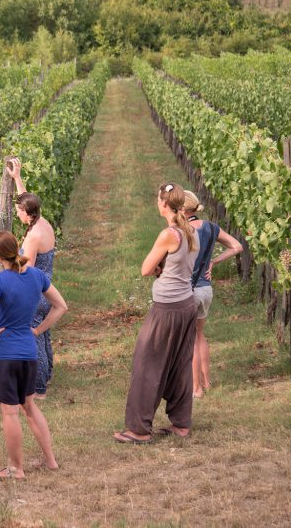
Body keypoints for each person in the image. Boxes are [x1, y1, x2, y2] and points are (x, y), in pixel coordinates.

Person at [0, 231, 65, 478]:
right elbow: (61, 306)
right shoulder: (36, 276)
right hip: (28, 352)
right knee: (30, 406)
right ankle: (51, 461)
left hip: (3, 354)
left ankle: (16, 468)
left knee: (10, 412)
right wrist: (37, 329)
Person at [115, 183, 199, 444]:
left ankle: (139, 429)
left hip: (167, 308)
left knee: (146, 364)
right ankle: (181, 423)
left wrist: (157, 269)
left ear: (164, 204)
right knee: (180, 364)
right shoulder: (192, 231)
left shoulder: (169, 235)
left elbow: (145, 268)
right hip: (187, 304)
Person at [183, 190, 242, 398]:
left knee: (189, 339)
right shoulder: (210, 227)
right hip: (206, 289)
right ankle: (206, 382)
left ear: (182, 209)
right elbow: (237, 246)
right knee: (200, 335)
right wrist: (215, 261)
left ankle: (196, 388)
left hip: (188, 289)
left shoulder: (183, 230)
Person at [7, 157, 58, 398]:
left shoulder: (32, 237)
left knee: (32, 335)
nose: (17, 215)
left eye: (18, 211)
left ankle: (38, 388)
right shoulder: (43, 223)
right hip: (47, 290)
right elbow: (27, 199)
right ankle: (47, 374)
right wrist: (18, 179)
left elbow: (24, 268)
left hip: (35, 294)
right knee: (43, 332)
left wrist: (7, 260)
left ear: (27, 214)